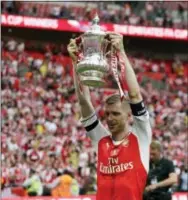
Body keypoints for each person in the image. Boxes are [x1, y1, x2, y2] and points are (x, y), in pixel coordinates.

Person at [68, 32, 152, 200]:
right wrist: (76, 62)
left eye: (115, 114)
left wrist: (121, 51)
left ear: (129, 116)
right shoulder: (101, 140)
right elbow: (84, 102)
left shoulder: (140, 136)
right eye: (107, 114)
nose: (110, 118)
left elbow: (134, 94)